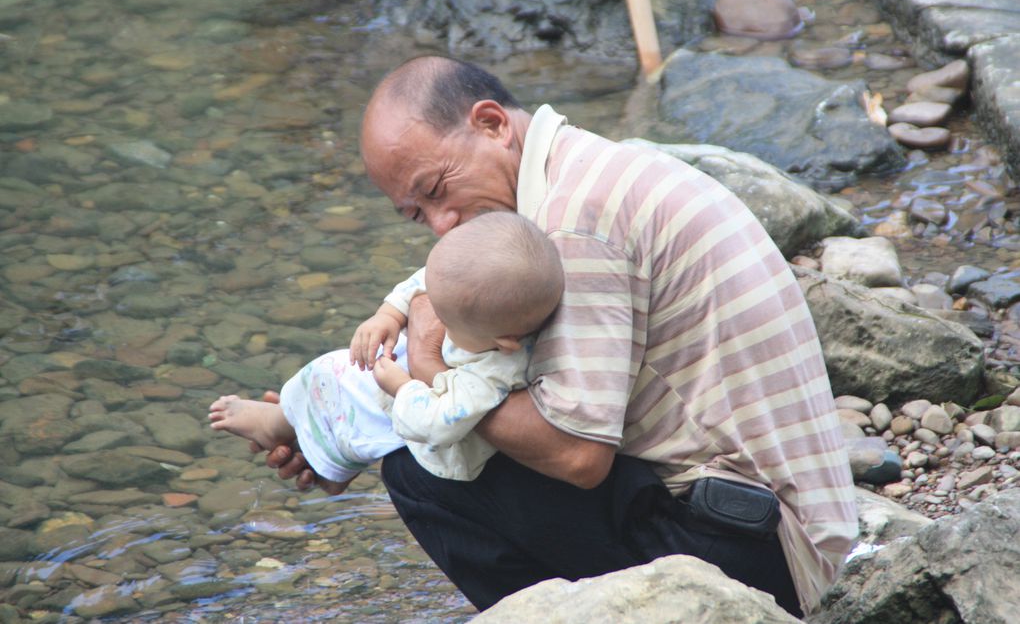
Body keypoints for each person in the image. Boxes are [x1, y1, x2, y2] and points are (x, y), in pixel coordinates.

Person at [262, 55, 858, 617]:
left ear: (492, 124)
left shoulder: (574, 225)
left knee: (420, 470)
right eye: (418, 214)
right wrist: (337, 430)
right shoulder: (584, 170)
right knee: (427, 432)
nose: (440, 226)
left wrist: (421, 372)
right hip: (778, 522)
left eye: (438, 190)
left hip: (769, 554)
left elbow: (577, 456)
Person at [211, 211, 563, 487]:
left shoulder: (494, 374)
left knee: (336, 376)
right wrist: (390, 314)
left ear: (505, 344)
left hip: (437, 436)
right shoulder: (487, 298)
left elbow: (439, 425)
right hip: (424, 379)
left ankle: (277, 425)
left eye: (444, 317)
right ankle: (309, 436)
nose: (432, 317)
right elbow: (425, 279)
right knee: (345, 380)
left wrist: (402, 386)